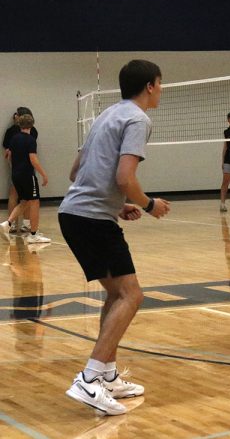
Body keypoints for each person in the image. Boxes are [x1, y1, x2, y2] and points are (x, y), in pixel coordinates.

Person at [59, 59, 172, 416]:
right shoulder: (138, 119)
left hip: (78, 213)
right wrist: (148, 203)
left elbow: (76, 170)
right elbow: (125, 176)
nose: (161, 89)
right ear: (151, 86)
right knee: (131, 295)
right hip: (90, 219)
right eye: (160, 83)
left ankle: (106, 373)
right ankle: (90, 379)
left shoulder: (107, 114)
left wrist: (115, 204)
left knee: (116, 294)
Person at [1, 114, 50, 243]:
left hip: (15, 174)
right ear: (32, 125)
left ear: (19, 125)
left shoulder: (14, 138)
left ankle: (8, 223)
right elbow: (33, 159)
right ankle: (33, 235)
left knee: (24, 201)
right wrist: (44, 174)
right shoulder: (30, 140)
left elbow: (9, 155)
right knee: (34, 202)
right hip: (27, 175)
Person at [3, 107, 38, 232]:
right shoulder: (31, 132)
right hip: (26, 169)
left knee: (17, 195)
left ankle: (11, 225)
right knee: (30, 198)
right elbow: (31, 154)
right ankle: (25, 224)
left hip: (16, 168)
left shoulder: (11, 132)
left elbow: (7, 153)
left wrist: (13, 165)